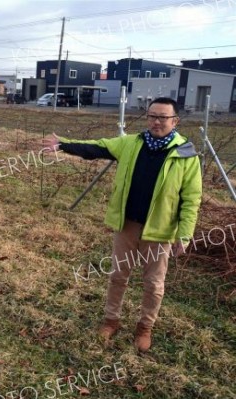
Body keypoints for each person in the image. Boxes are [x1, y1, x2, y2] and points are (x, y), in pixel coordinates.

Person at [40, 97, 202, 352]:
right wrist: (63, 145)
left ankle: (144, 328)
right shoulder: (131, 144)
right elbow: (98, 147)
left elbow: (191, 198)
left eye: (163, 117)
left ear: (175, 121)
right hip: (127, 225)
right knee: (118, 275)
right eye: (152, 116)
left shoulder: (186, 154)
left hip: (160, 231)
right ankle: (111, 321)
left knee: (153, 284)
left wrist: (184, 234)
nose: (157, 121)